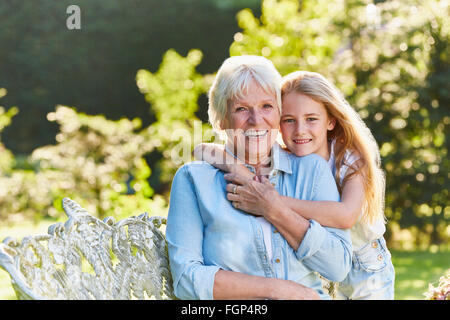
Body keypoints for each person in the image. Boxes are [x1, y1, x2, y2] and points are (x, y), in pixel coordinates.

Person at [195, 70, 395, 300]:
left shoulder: (347, 157)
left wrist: (271, 202)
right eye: (289, 120)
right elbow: (202, 149)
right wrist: (237, 169)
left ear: (330, 121)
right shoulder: (289, 160)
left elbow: (345, 216)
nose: (300, 130)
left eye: (311, 119)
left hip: (365, 266)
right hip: (319, 266)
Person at [166, 56, 353, 300]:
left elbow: (338, 267)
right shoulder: (193, 180)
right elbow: (186, 280)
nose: (256, 120)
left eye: (266, 106)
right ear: (222, 119)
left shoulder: (311, 171)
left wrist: (274, 209)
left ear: (278, 113)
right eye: (241, 109)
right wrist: (279, 290)